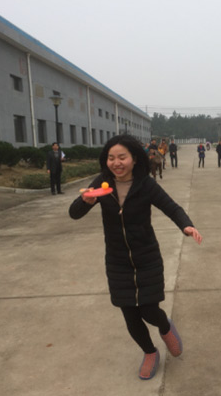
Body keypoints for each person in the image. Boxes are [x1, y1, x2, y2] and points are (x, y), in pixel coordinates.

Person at [69, 134, 202, 380]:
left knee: (149, 310)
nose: (116, 163)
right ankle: (150, 352)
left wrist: (186, 225)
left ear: (134, 159)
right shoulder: (102, 183)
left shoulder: (145, 184)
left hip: (146, 257)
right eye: (111, 158)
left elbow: (171, 207)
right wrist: (85, 201)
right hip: (117, 260)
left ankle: (165, 327)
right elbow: (74, 213)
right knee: (129, 313)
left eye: (122, 157)